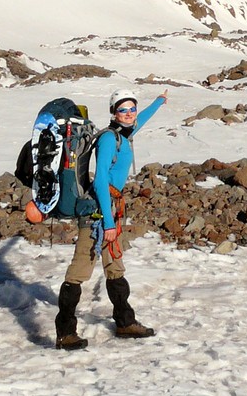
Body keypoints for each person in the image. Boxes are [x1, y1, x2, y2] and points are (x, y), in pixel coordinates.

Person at [55, 88, 168, 350]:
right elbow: (102, 180)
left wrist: (159, 101)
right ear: (113, 113)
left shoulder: (124, 135)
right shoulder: (108, 139)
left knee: (115, 267)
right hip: (98, 212)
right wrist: (106, 222)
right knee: (80, 269)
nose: (129, 114)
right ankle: (64, 332)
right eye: (123, 110)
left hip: (112, 211)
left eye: (132, 109)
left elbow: (141, 120)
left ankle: (125, 322)